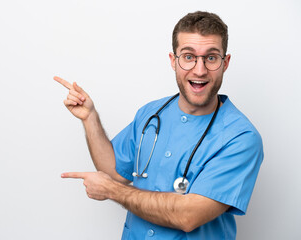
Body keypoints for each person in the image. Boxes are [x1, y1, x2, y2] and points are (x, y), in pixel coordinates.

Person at [55, 11, 263, 240]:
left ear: (226, 63)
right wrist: (90, 118)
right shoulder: (151, 113)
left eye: (211, 57)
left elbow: (188, 216)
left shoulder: (240, 137)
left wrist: (112, 191)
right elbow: (113, 172)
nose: (200, 69)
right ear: (174, 61)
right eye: (189, 56)